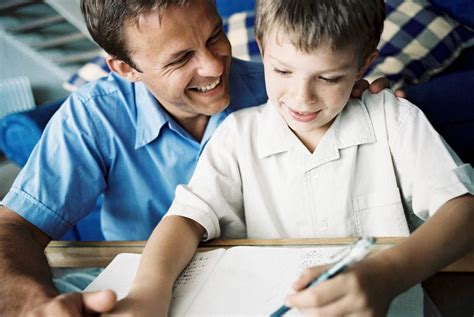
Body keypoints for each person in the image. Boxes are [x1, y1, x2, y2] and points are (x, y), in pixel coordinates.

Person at [0, 0, 394, 316]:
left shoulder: (288, 96)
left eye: (215, 35)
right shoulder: (94, 115)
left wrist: (359, 107)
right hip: (143, 297)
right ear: (125, 68)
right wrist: (31, 303)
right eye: (179, 58)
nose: (213, 65)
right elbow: (13, 228)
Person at [110, 0, 474, 315]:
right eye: (282, 71)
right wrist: (149, 291)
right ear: (260, 47)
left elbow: (464, 211)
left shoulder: (393, 121)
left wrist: (388, 275)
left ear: (363, 66)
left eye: (329, 78)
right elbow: (185, 219)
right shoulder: (238, 137)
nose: (302, 98)